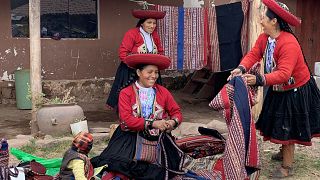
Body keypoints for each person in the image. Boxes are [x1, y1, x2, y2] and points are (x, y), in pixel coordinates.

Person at [228, 0, 320, 178]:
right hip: (278, 87)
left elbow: (284, 74)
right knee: (279, 123)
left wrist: (259, 79)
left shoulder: (288, 43)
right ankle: (283, 151)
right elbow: (254, 54)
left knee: (288, 128)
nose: (261, 19)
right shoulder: (265, 38)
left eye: (264, 16)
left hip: (295, 90)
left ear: (274, 21)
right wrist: (241, 68)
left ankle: (287, 167)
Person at [91, 54, 185, 179]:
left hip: (158, 139)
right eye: (149, 72)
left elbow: (176, 112)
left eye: (156, 72)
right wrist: (153, 123)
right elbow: (126, 119)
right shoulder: (126, 93)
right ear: (139, 72)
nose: (154, 76)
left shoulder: (163, 92)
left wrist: (173, 122)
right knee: (119, 166)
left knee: (166, 168)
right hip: (129, 138)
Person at [105, 9, 166, 110]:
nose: (152, 26)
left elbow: (160, 51)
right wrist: (134, 66)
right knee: (131, 94)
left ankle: (148, 111)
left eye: (154, 23)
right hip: (131, 70)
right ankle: (128, 113)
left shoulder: (154, 35)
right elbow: (123, 53)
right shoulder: (132, 33)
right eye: (149, 22)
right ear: (142, 23)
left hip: (150, 71)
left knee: (152, 93)